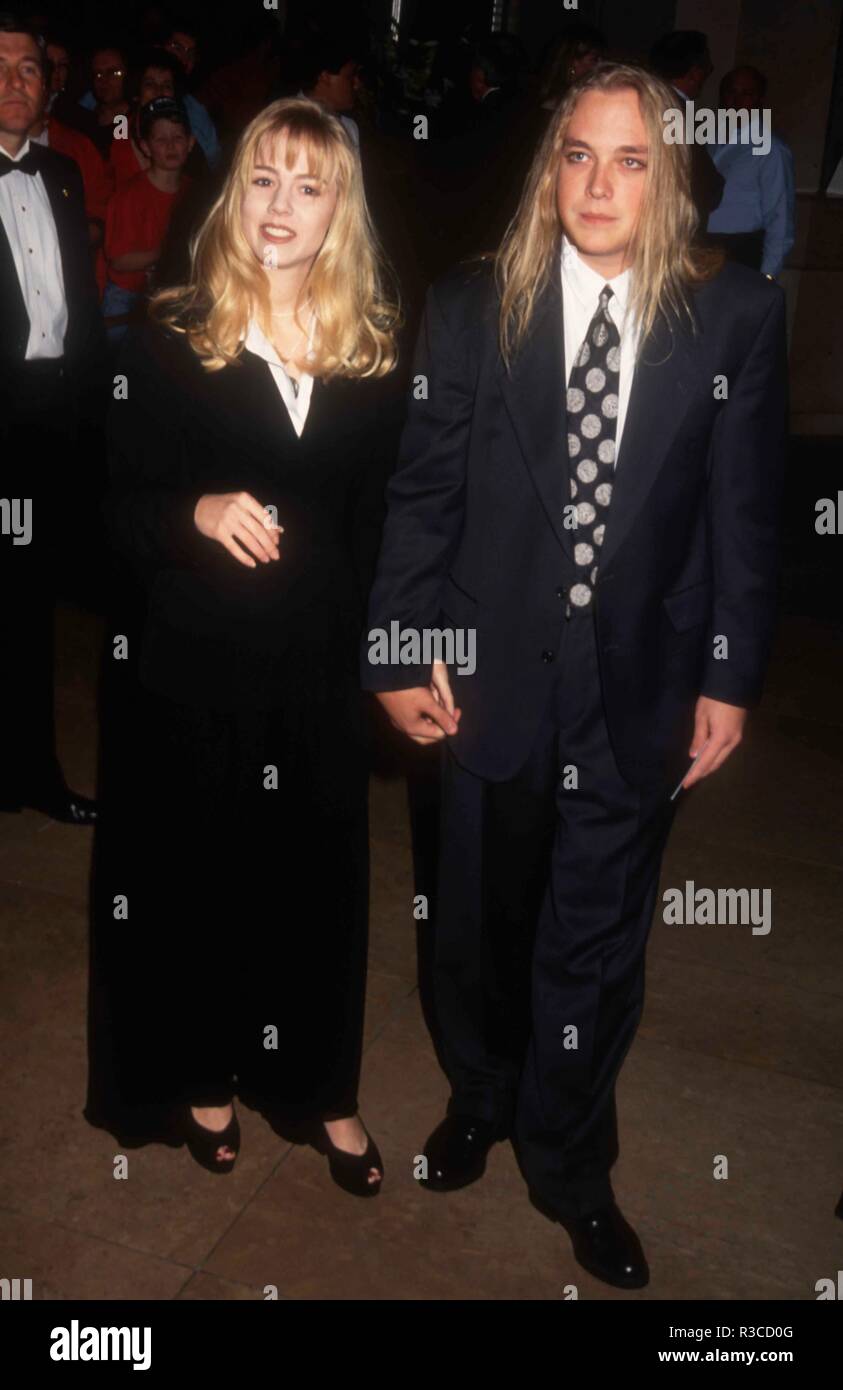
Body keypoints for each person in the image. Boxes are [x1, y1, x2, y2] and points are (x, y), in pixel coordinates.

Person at [362, 62, 787, 1287]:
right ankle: (481, 1099)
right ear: (551, 167)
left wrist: (730, 675)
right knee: (480, 928)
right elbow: (421, 499)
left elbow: (742, 522)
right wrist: (397, 649)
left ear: (671, 180)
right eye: (578, 155)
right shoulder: (469, 306)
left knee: (594, 943)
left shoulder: (740, 316)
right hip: (485, 682)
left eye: (631, 159)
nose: (599, 184)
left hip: (640, 690)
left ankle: (571, 1162)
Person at [85, 98, 403, 1190]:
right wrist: (193, 513)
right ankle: (204, 1074)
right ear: (235, 193)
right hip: (191, 665)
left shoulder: (373, 347)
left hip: (315, 673)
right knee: (200, 883)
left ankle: (320, 1088)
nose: (282, 205)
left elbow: (384, 525)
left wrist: (402, 647)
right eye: (263, 178)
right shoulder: (171, 334)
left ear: (339, 209)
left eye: (309, 186)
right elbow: (107, 512)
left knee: (314, 886)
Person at [0, 12, 104, 824]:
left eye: (29, 68)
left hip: (48, 429)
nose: (13, 82)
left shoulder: (64, 175)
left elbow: (84, 313)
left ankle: (32, 774)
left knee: (30, 607)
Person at [102, 96, 193, 341]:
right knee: (121, 358)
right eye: (161, 139)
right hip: (128, 296)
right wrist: (165, 253)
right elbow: (119, 260)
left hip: (175, 291)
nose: (171, 146)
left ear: (191, 143)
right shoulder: (130, 195)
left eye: (178, 138)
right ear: (145, 146)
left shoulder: (195, 192)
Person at [706, 66, 795, 279]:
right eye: (730, 92)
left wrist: (767, 276)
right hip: (701, 246)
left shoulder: (770, 149)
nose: (736, 101)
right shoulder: (708, 141)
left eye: (746, 94)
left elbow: (780, 216)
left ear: (759, 99)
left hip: (740, 251)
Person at [649, 30, 724, 223]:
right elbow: (706, 188)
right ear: (694, 74)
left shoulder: (647, 103)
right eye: (707, 67)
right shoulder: (678, 115)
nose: (711, 70)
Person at [160, 12, 221, 169]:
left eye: (190, 53)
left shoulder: (196, 112)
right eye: (177, 48)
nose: (183, 59)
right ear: (159, 47)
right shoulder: (125, 96)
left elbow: (214, 166)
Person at [298, 38, 361, 150]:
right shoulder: (285, 123)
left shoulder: (350, 128)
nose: (357, 85)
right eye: (350, 77)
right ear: (325, 76)